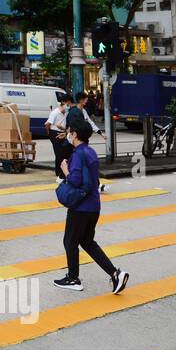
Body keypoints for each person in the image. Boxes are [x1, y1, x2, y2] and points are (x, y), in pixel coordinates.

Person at [53, 121, 129, 293]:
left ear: (75, 134)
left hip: (80, 207)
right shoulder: (91, 152)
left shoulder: (78, 154)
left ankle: (73, 279)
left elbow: (76, 180)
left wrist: (65, 169)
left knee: (70, 241)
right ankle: (116, 274)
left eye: (70, 131)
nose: (69, 134)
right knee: (87, 242)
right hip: (94, 206)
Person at [47, 94, 72, 177]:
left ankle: (63, 171)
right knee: (58, 154)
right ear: (63, 103)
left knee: (64, 152)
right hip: (55, 133)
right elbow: (47, 124)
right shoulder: (55, 112)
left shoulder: (67, 112)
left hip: (64, 132)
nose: (68, 106)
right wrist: (50, 135)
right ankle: (59, 172)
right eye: (68, 104)